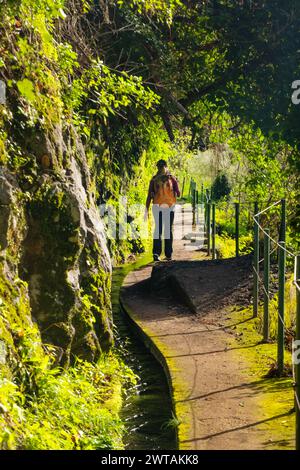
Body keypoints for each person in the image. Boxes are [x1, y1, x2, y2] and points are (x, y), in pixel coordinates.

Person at [145, 159, 180, 262]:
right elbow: (178, 193)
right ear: (166, 166)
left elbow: (149, 196)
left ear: (158, 168)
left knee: (158, 230)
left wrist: (146, 210)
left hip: (157, 207)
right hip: (169, 207)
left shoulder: (154, 179)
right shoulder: (172, 178)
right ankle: (168, 255)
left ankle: (156, 254)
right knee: (167, 230)